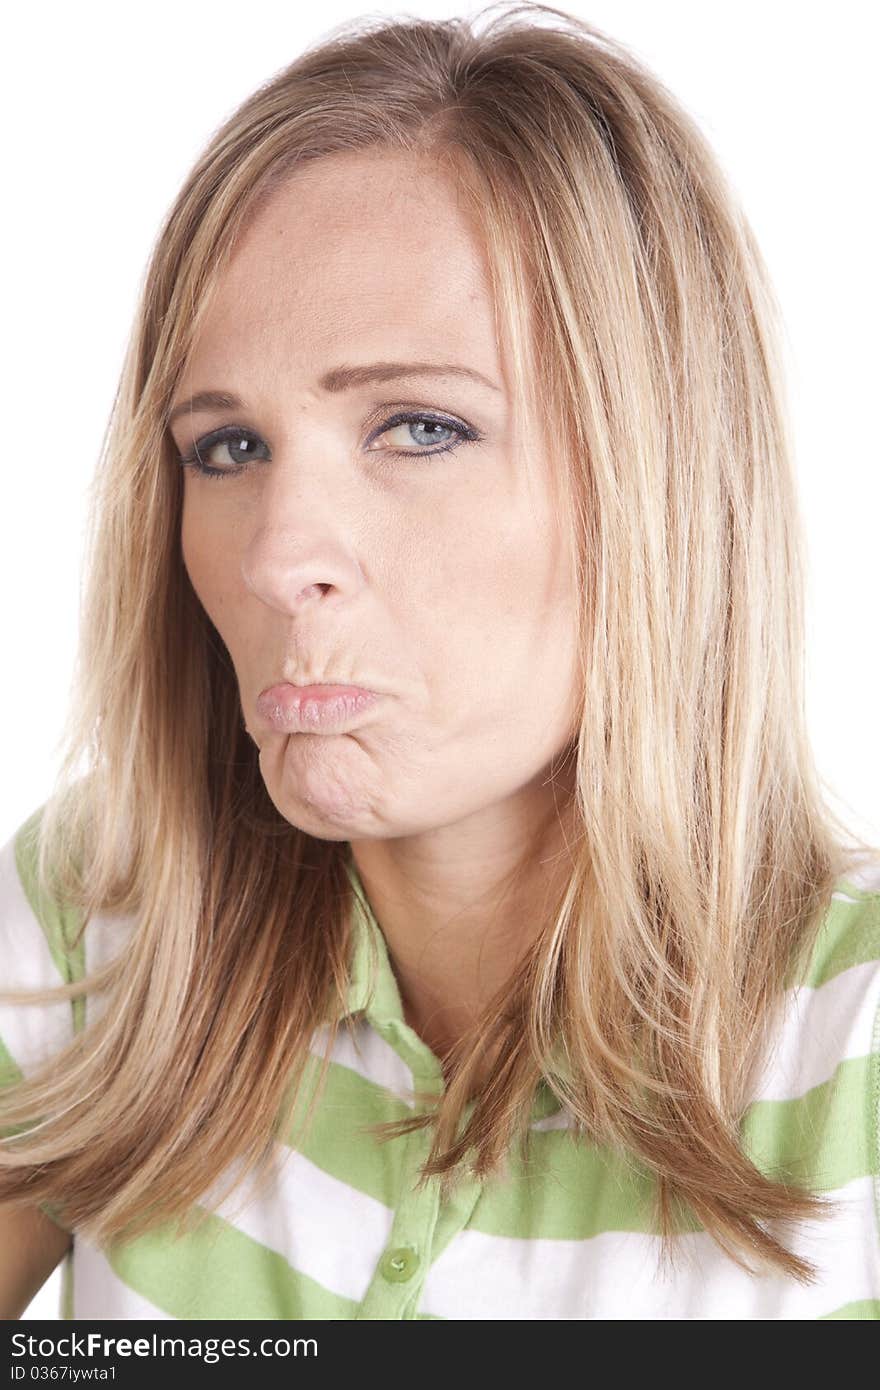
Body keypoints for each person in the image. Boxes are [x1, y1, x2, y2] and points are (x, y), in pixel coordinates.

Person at [2, 2, 879, 1321]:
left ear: (661, 483)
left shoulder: (852, 1043)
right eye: (227, 447)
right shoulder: (97, 920)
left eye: (419, 426)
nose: (276, 552)